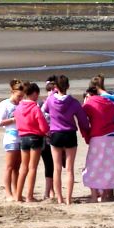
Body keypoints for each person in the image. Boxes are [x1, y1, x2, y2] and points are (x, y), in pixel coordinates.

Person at [43, 75, 91, 205]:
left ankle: (59, 198)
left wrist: (52, 94)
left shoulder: (50, 100)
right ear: (68, 86)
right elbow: (83, 120)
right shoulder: (74, 102)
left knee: (57, 168)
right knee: (69, 169)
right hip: (69, 134)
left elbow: (45, 110)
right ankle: (68, 199)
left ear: (56, 87)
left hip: (56, 134)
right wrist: (87, 129)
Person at [82, 87, 114, 203]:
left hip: (97, 137)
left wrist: (86, 135)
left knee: (91, 166)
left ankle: (94, 196)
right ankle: (105, 196)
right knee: (108, 167)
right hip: (110, 137)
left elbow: (82, 121)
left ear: (89, 95)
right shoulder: (109, 102)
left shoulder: (88, 104)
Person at [13, 82, 49, 202]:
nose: (37, 97)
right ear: (33, 93)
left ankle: (18, 195)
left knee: (24, 167)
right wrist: (46, 132)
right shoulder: (35, 108)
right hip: (35, 137)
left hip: (23, 137)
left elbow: (18, 123)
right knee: (32, 167)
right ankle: (29, 196)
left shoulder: (18, 107)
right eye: (37, 94)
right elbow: (43, 126)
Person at [0, 79, 24, 201]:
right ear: (12, 92)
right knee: (9, 166)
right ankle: (8, 193)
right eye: (18, 96)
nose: (20, 99)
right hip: (11, 137)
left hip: (22, 136)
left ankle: (16, 191)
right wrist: (13, 119)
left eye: (22, 96)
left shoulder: (22, 104)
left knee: (18, 167)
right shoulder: (5, 104)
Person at [39, 76, 58, 201]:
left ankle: (54, 191)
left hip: (58, 137)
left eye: (55, 90)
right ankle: (48, 191)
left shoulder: (59, 102)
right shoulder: (41, 103)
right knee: (49, 165)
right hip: (45, 138)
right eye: (50, 89)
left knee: (58, 165)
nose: (52, 92)